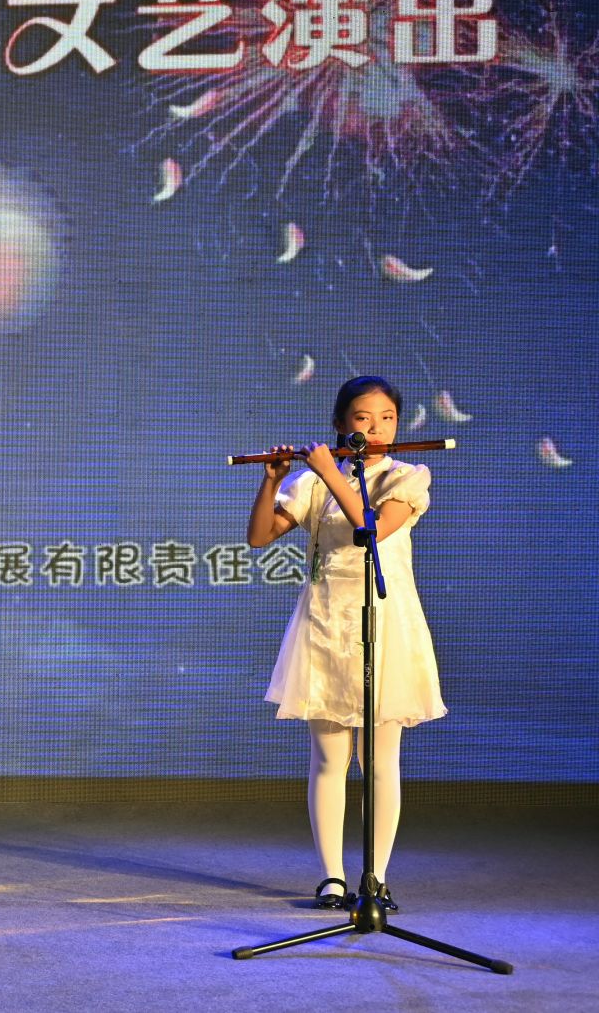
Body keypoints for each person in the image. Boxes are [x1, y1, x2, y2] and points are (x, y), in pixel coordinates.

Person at [246, 375, 444, 913]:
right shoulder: (311, 483)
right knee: (330, 760)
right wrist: (273, 480)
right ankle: (332, 877)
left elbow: (370, 529)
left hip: (386, 624)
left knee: (380, 762)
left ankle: (375, 877)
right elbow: (259, 536)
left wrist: (331, 472)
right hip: (326, 624)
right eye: (363, 418)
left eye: (387, 419)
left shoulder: (406, 477)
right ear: (340, 424)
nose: (376, 428)